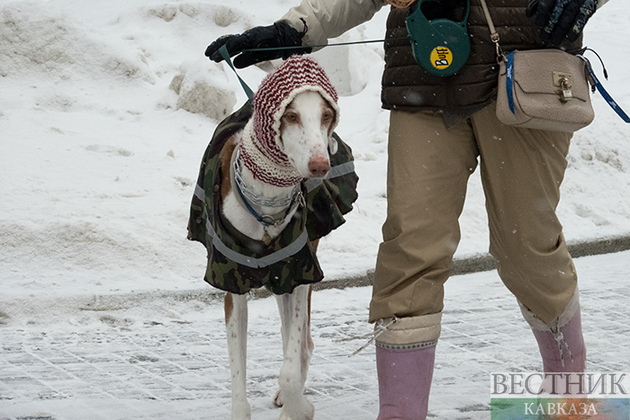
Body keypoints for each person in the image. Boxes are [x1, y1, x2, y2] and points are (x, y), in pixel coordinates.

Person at [205, 0, 608, 418]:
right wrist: (296, 28)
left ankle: (567, 385)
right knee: (411, 246)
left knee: (526, 244)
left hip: (525, 73)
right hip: (423, 75)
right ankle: (400, 411)